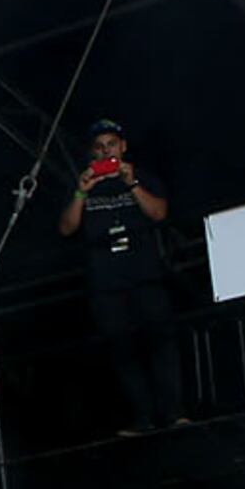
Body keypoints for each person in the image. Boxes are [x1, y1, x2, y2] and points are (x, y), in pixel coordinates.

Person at [55, 119, 187, 434]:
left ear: (123, 146)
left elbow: (159, 213)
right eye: (99, 147)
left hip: (145, 276)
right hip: (106, 284)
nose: (105, 152)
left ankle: (175, 413)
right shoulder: (84, 185)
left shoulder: (143, 178)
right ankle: (143, 418)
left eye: (111, 145)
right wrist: (80, 192)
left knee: (162, 344)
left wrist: (132, 184)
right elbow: (66, 227)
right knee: (122, 350)